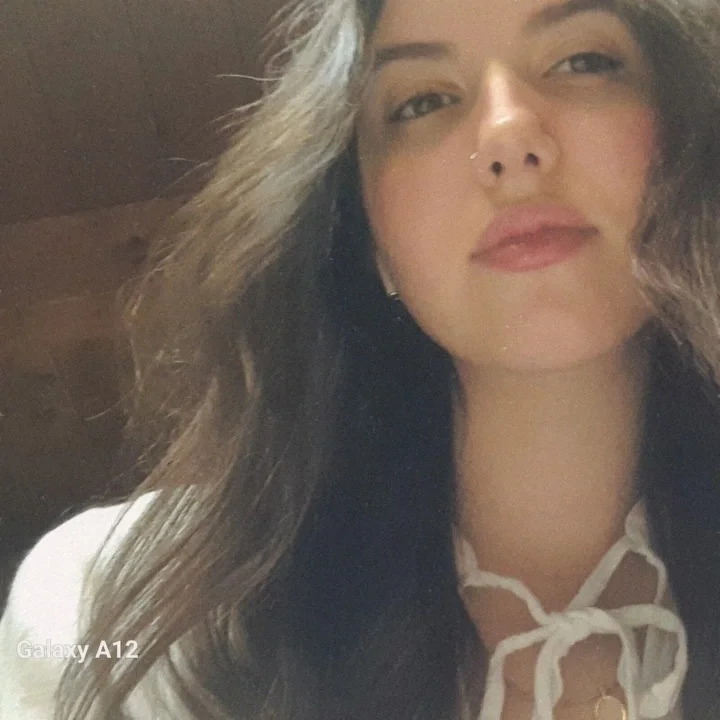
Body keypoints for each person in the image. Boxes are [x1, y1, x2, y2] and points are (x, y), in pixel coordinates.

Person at [2, 0, 720, 717]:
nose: (507, 133)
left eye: (583, 62)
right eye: (422, 102)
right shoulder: (107, 615)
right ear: (373, 240)